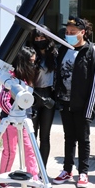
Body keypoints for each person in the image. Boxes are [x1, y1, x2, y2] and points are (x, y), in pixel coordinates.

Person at [53, 16, 95, 188]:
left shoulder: (93, 52)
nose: (68, 35)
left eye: (72, 32)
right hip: (65, 101)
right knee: (69, 137)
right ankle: (67, 169)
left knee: (83, 138)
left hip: (83, 103)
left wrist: (92, 107)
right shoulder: (63, 49)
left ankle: (83, 172)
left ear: (82, 32)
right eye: (67, 32)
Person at [0, 46, 41, 188]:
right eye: (31, 62)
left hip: (25, 118)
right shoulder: (11, 77)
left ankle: (34, 178)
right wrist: (13, 115)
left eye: (34, 62)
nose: (33, 65)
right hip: (11, 120)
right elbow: (3, 101)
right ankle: (3, 178)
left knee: (30, 148)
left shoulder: (27, 77)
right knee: (10, 150)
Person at [30, 26, 58, 166]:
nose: (40, 40)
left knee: (45, 136)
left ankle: (42, 169)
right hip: (33, 95)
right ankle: (32, 169)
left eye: (42, 37)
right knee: (31, 135)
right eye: (37, 38)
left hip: (49, 95)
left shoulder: (55, 54)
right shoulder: (30, 54)